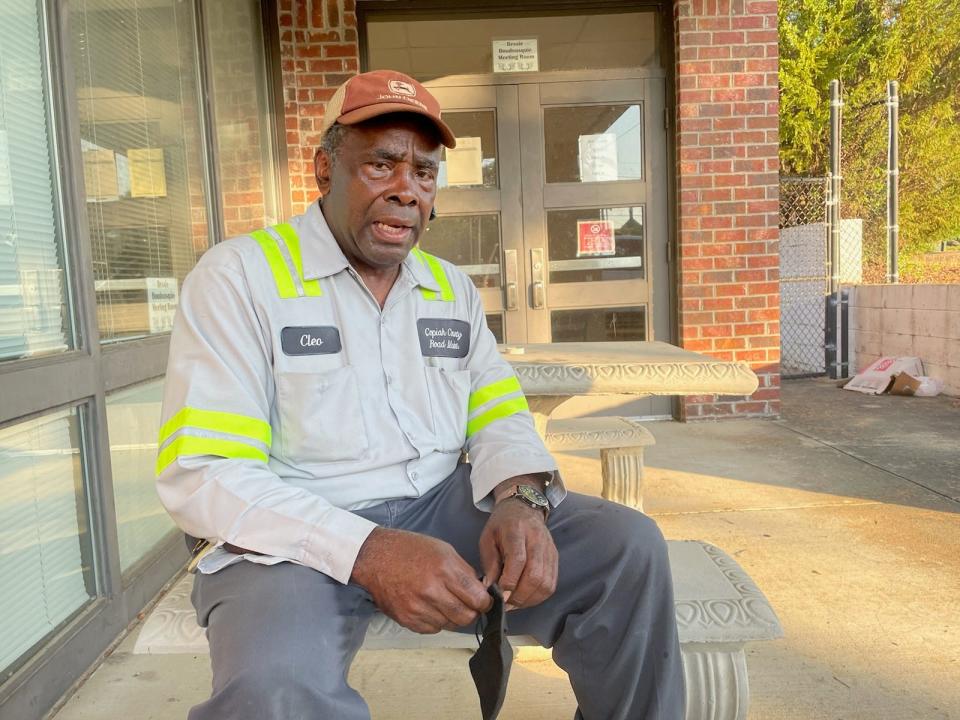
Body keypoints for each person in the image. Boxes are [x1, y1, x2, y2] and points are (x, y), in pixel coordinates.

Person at [157, 69, 684, 719]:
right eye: (382, 164)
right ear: (326, 170)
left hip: (438, 508)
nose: (407, 190)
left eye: (425, 173)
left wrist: (522, 499)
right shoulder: (240, 278)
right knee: (274, 690)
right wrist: (370, 550)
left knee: (628, 552)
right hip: (288, 538)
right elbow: (206, 473)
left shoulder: (448, 288)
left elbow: (498, 411)